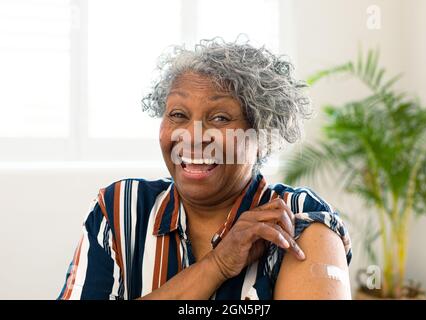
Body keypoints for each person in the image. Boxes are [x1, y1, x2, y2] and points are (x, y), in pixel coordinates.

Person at [58, 37, 352, 300]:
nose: (193, 135)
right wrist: (218, 265)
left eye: (221, 118)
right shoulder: (121, 209)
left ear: (261, 137)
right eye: (178, 115)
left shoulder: (298, 219)